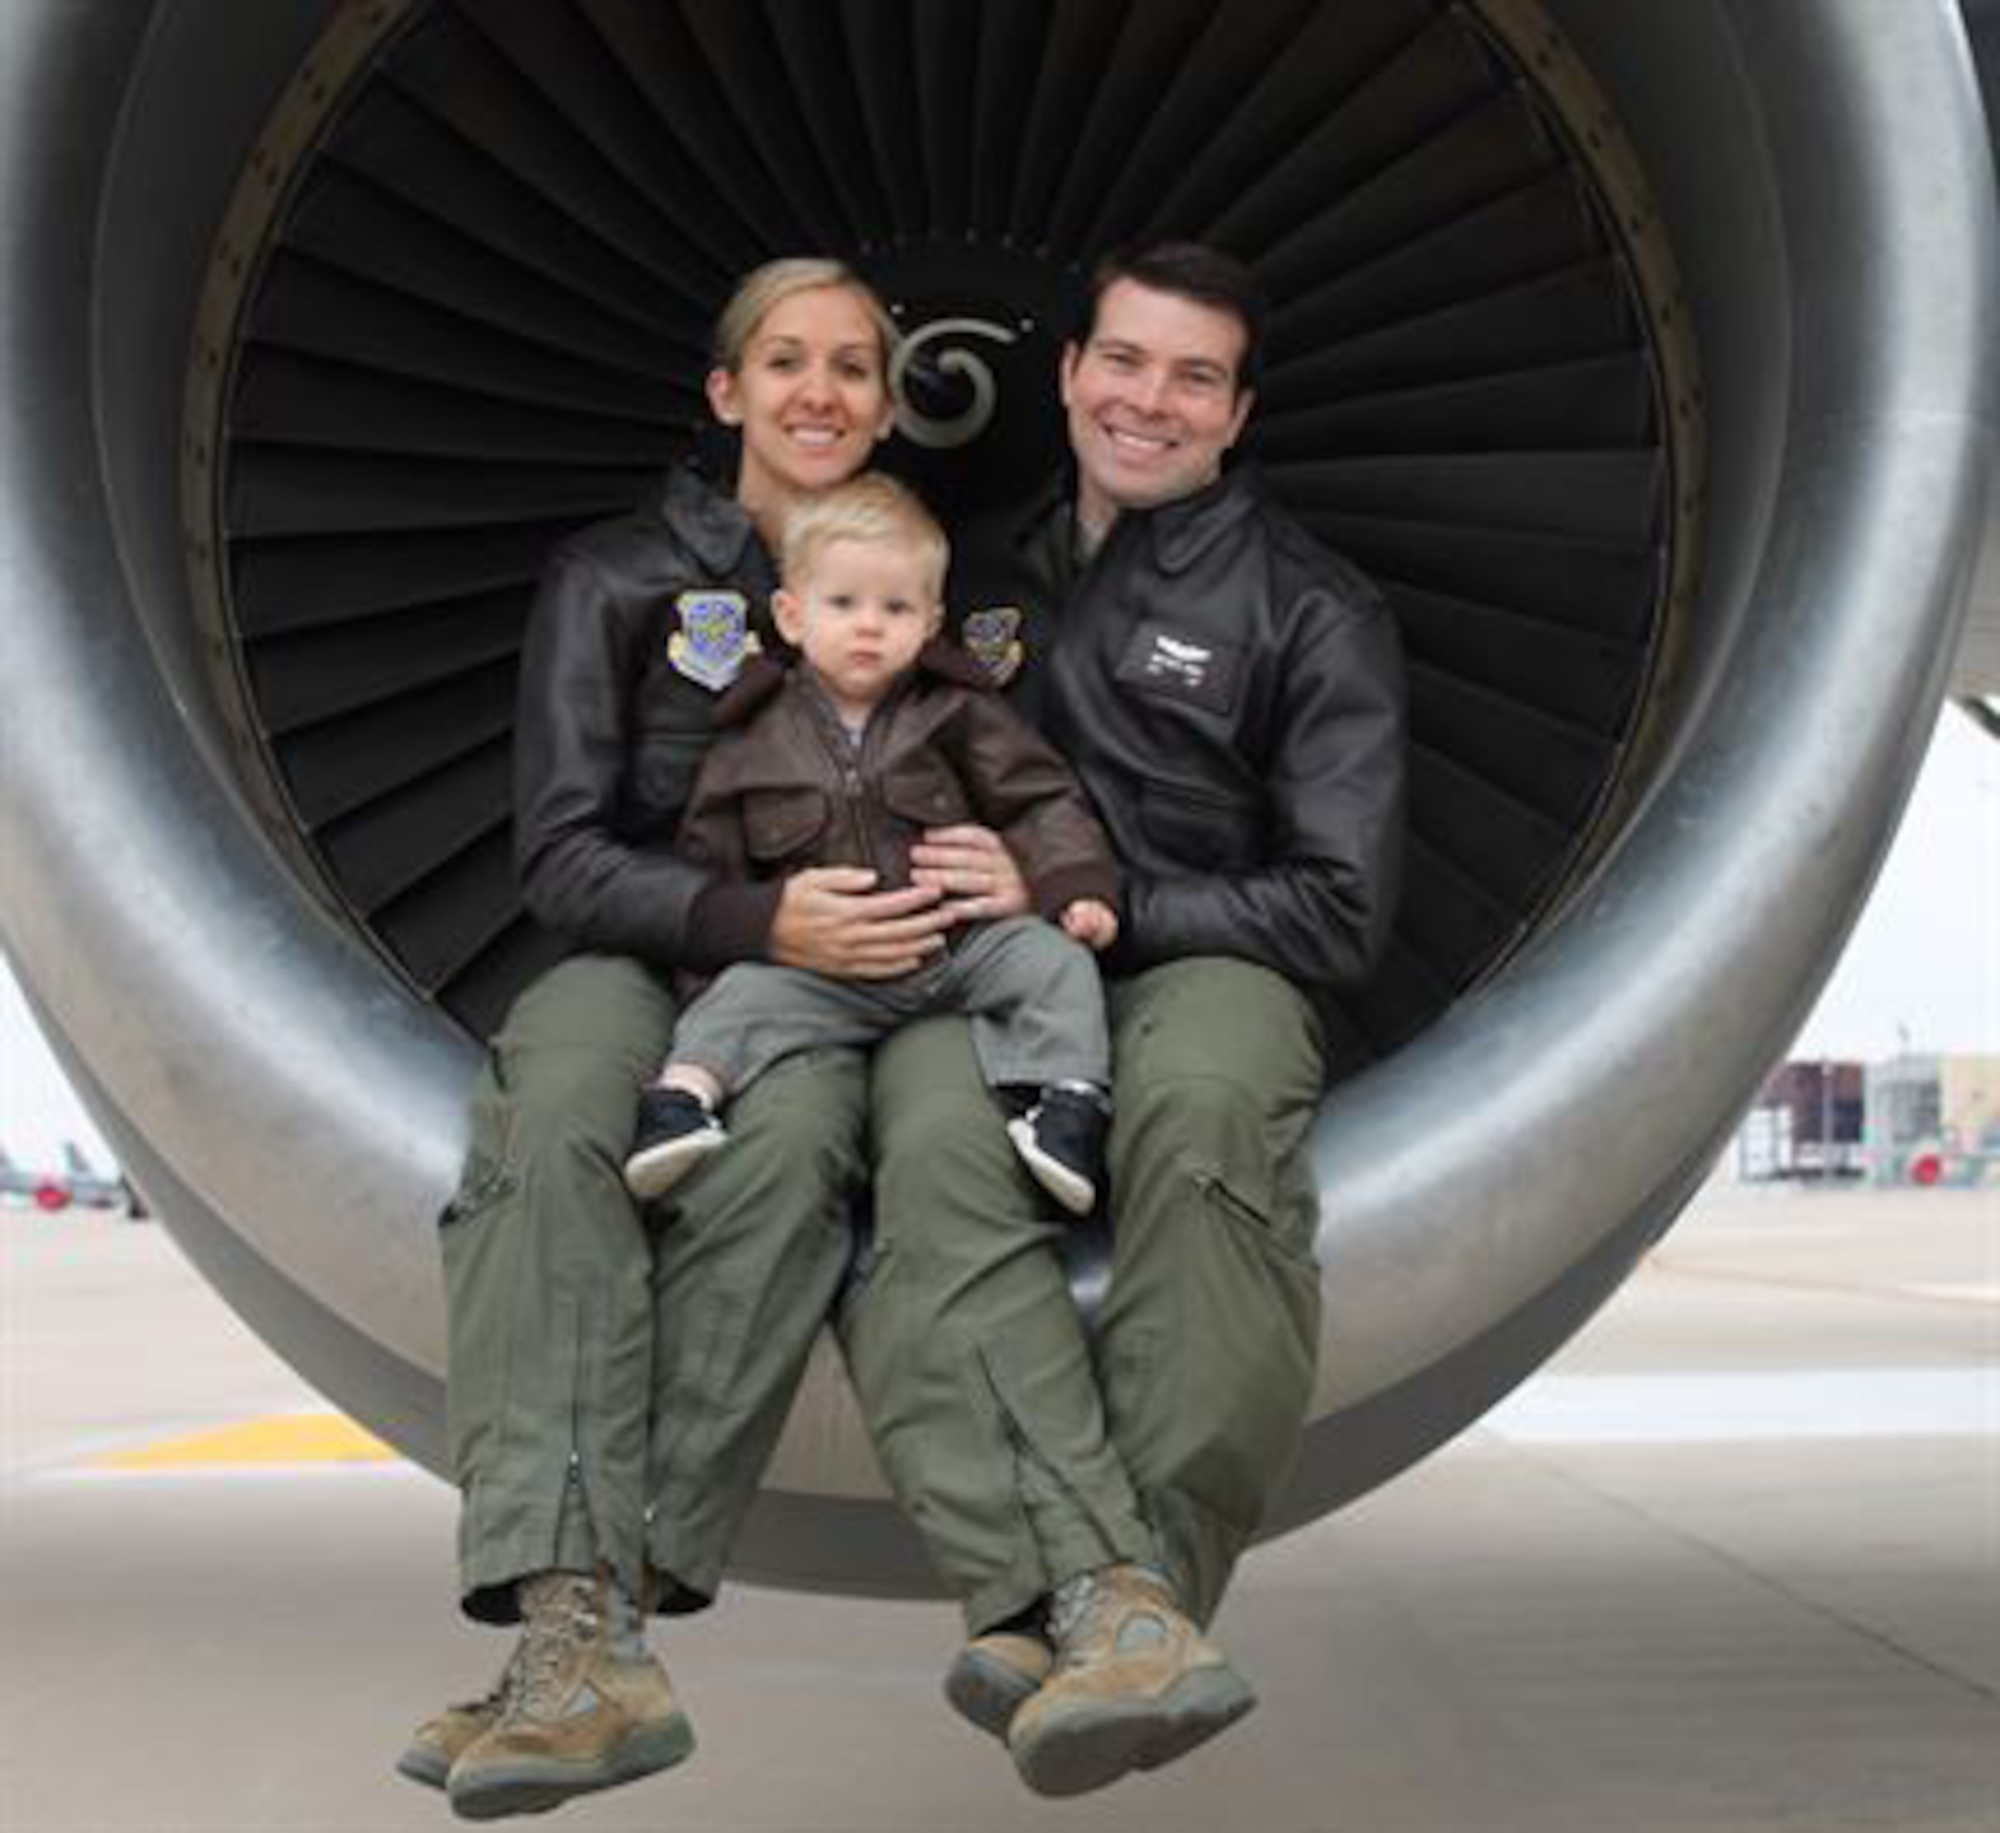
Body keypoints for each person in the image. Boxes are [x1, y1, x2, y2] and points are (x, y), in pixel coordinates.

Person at [839, 242, 1407, 1797]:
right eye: (1127, 362)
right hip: (999, 980)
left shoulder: (1309, 609)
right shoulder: (982, 578)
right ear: (1074, 370)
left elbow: (1339, 911)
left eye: (1193, 377)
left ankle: (1145, 1595)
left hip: (1207, 962)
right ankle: (1074, 1601)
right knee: (928, 1154)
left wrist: (1098, 904)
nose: (1149, 401)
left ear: (1236, 415)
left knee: (1205, 1127)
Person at [399, 258, 956, 1821]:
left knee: (785, 1157)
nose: (821, 394)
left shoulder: (929, 583)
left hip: (830, 992)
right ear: (727, 394)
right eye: (787, 362)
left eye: (855, 367)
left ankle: (591, 1631)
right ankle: (579, 1628)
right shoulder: (617, 578)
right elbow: (562, 853)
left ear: (888, 403)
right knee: (555, 1108)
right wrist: (760, 925)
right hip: (647, 950)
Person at [622, 472, 1122, 1217]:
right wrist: (719, 957)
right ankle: (681, 1103)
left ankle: (1070, 1105)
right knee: (738, 998)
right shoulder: (750, 736)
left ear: (930, 623)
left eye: (895, 607)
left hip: (960, 946)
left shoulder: (959, 711)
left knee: (1055, 964)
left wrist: (1074, 885)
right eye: (843, 603)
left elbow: (1039, 795)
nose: (868, 625)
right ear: (791, 616)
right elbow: (712, 856)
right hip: (826, 970)